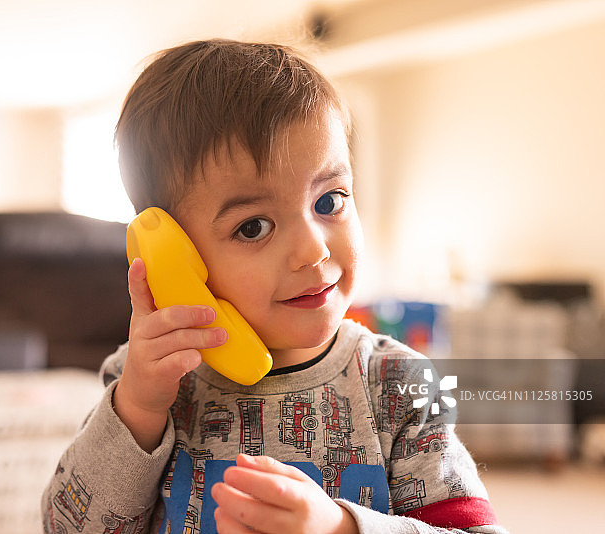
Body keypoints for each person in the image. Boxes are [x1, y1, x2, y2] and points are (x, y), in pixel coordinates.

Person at [42, 39, 506, 534]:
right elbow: (66, 527)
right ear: (172, 253)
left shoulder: (396, 385)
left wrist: (343, 528)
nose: (314, 250)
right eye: (254, 227)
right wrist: (137, 408)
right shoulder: (149, 385)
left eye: (329, 202)